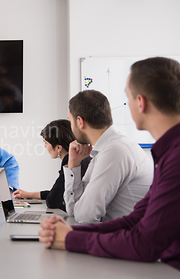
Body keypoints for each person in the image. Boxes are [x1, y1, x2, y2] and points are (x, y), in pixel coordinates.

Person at [39, 56, 180, 270]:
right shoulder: (167, 152)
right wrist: (73, 232)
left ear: (140, 102)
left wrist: (70, 239)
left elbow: (144, 243)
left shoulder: (122, 151)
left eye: (128, 98)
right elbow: (135, 219)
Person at [63, 89, 152, 223]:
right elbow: (73, 210)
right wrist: (74, 165)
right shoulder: (104, 149)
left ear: (80, 122)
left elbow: (85, 216)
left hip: (124, 240)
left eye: (70, 122)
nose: (71, 127)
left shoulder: (115, 151)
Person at [13, 119, 91, 210]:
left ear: (58, 148)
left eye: (46, 143)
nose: (45, 147)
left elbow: (53, 201)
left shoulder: (70, 163)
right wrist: (28, 194)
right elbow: (59, 192)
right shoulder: (83, 158)